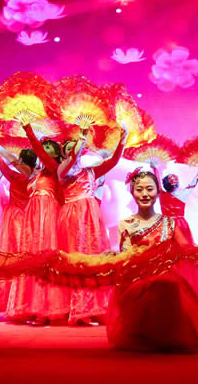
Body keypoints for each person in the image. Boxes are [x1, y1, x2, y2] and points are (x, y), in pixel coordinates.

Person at [107, 170, 198, 351]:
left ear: (158, 192)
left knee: (166, 283)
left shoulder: (169, 223)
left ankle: (169, 335)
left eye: (149, 189)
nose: (145, 194)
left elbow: (187, 249)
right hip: (137, 276)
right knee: (156, 284)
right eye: (139, 190)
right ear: (132, 192)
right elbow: (126, 253)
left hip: (166, 274)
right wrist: (113, 255)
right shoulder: (126, 223)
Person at [57, 126, 127, 325]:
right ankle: (77, 309)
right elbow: (73, 158)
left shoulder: (91, 172)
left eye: (77, 147)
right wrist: (81, 138)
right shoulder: (62, 170)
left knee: (94, 256)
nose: (75, 151)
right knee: (76, 257)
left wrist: (122, 140)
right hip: (72, 215)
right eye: (70, 149)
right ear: (65, 153)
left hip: (91, 216)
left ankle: (94, 307)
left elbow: (113, 162)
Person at [5, 118, 70, 324]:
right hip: (33, 215)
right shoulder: (35, 173)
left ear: (56, 154)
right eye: (44, 146)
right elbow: (13, 163)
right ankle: (32, 306)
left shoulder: (54, 168)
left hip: (47, 211)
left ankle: (46, 309)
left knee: (45, 254)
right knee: (31, 257)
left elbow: (40, 153)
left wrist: (29, 131)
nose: (44, 149)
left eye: (49, 147)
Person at [0, 139, 37, 314]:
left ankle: (11, 298)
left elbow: (3, 164)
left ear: (22, 160)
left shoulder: (15, 175)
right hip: (31, 216)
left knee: (12, 256)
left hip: (15, 218)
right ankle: (23, 297)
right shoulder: (36, 175)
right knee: (26, 257)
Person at [150, 161, 198, 298]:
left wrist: (155, 168)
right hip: (181, 225)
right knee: (185, 256)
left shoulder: (162, 194)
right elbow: (193, 184)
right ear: (177, 185)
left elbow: (157, 183)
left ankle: (170, 288)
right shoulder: (183, 194)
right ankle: (188, 286)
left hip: (166, 225)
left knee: (168, 256)